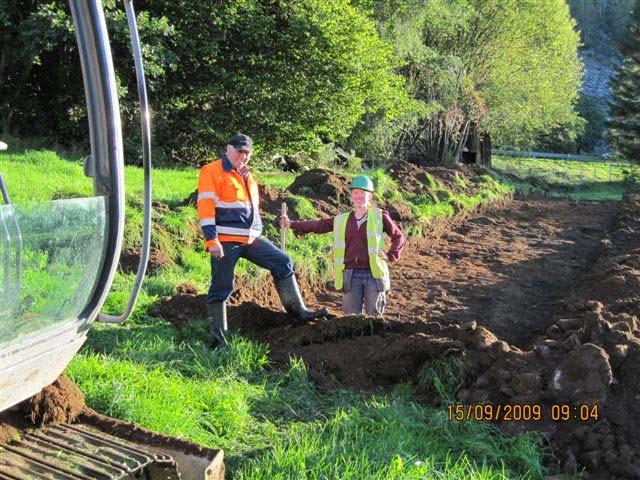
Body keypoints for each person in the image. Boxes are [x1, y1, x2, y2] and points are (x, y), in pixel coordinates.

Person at [198, 133, 327, 349]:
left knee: (283, 262)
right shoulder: (212, 172)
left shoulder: (247, 176)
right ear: (228, 149)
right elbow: (205, 209)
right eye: (240, 151)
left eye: (247, 153)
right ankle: (218, 341)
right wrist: (212, 241)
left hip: (250, 238)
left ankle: (299, 313)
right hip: (226, 240)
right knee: (221, 288)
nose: (243, 156)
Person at [279, 175, 404, 317]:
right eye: (355, 193)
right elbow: (319, 225)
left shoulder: (379, 216)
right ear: (351, 196)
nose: (359, 196)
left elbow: (398, 236)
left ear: (370, 196)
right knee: (351, 317)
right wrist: (292, 224)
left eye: (363, 193)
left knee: (374, 316)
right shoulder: (342, 219)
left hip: (373, 274)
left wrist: (391, 255)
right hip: (351, 275)